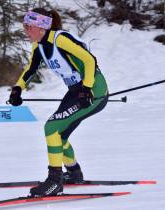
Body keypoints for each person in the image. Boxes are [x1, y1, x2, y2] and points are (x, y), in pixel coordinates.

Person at [7, 8, 108, 197]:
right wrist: (18, 88)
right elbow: (30, 70)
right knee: (58, 135)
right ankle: (74, 173)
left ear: (41, 27)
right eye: (25, 27)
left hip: (94, 90)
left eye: (29, 27)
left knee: (51, 128)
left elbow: (89, 60)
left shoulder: (59, 39)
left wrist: (87, 88)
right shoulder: (38, 46)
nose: (26, 31)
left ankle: (54, 182)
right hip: (77, 91)